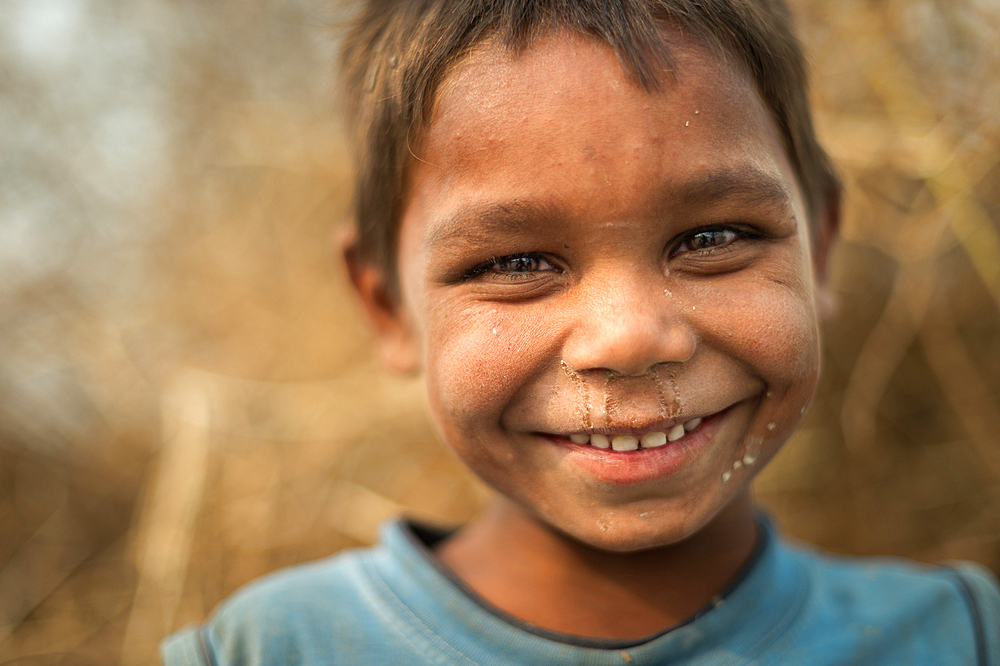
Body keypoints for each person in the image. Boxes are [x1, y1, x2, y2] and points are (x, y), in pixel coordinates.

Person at [161, 0, 1000, 663]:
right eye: (518, 263)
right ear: (387, 306)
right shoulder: (269, 650)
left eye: (712, 240)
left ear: (817, 250)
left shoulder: (959, 637)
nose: (631, 337)